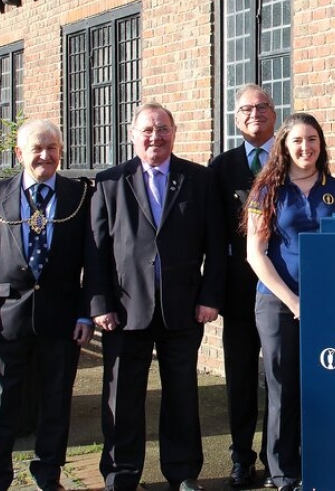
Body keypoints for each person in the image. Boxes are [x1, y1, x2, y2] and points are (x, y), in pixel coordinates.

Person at [86, 102, 226, 491]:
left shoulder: (198, 180)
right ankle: (121, 474)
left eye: (162, 129)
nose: (155, 137)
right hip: (125, 311)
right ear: (133, 136)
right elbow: (95, 251)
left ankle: (182, 473)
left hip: (183, 308)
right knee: (122, 399)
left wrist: (210, 296)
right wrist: (100, 305)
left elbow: (216, 245)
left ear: (174, 133)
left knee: (181, 396)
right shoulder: (109, 183)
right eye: (147, 130)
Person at [0, 119, 94, 491]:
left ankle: (48, 474)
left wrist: (86, 311)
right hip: (6, 318)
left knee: (56, 403)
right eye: (37, 148)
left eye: (52, 148)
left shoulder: (80, 195)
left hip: (63, 316)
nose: (45, 155)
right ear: (20, 154)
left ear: (61, 152)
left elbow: (94, 258)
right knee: (2, 404)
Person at [242, 113, 335, 491]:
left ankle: (321, 461)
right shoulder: (265, 190)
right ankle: (282, 472)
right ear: (284, 145)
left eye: (313, 139)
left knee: (324, 383)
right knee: (282, 387)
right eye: (298, 140)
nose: (306, 147)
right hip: (277, 302)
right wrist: (293, 301)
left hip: (328, 305)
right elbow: (256, 254)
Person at [209, 84, 274, 489]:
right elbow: (213, 238)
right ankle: (241, 457)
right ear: (236, 117)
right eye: (246, 108)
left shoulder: (290, 157)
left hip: (281, 289)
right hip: (237, 292)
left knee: (282, 375)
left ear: (274, 112)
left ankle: (277, 454)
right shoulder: (220, 167)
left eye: (263, 106)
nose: (255, 113)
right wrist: (212, 294)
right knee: (240, 378)